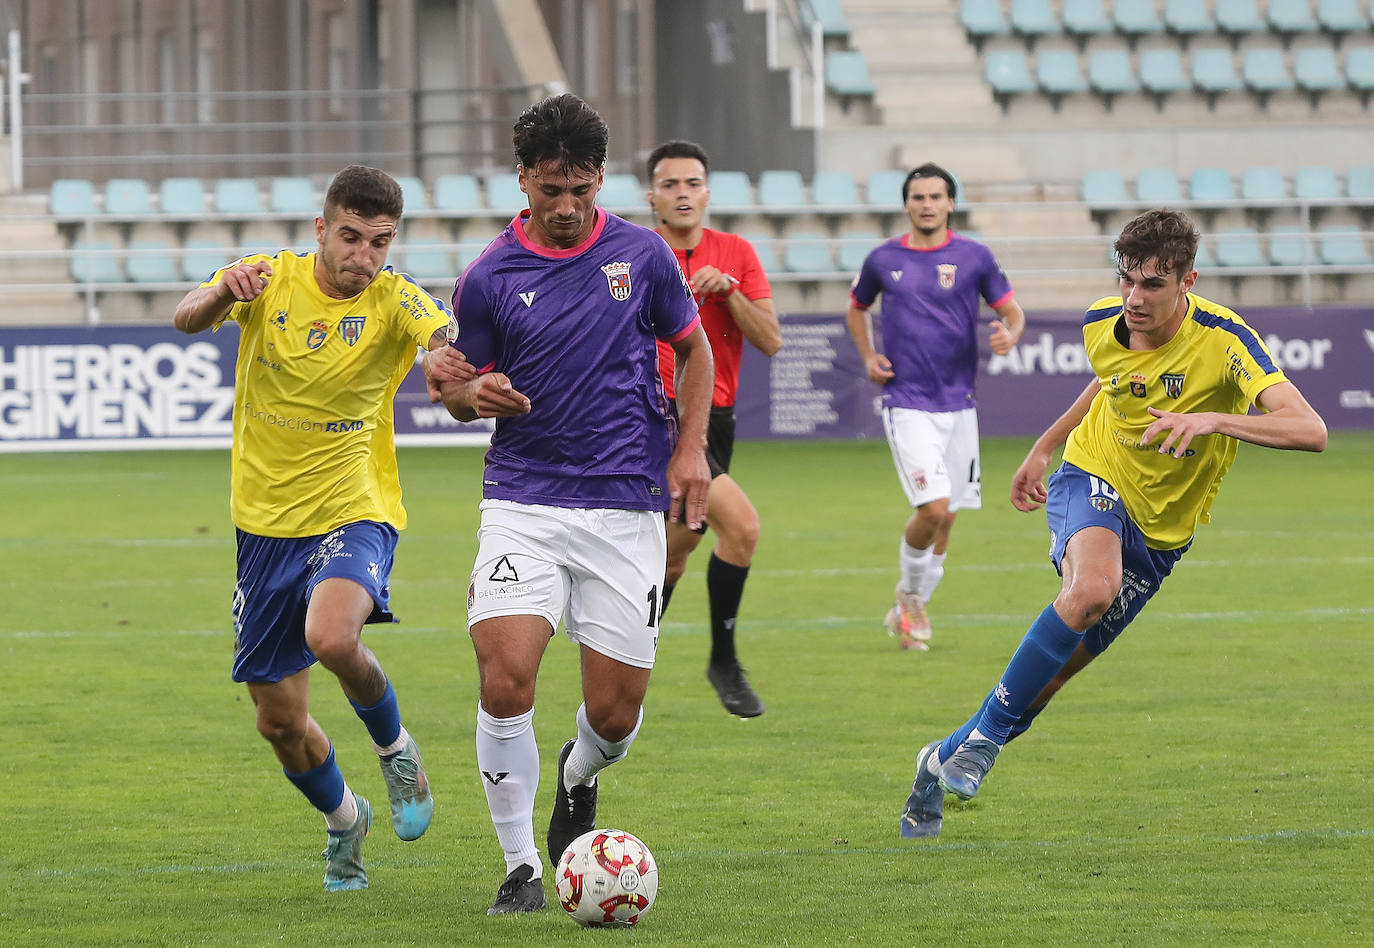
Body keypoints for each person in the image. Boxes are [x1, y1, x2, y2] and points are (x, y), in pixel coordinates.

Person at [899, 208, 1327, 839]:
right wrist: (1045, 447)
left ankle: (940, 760)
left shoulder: (1226, 342)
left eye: (1152, 284)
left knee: (1049, 678)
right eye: (1127, 279)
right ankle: (984, 744)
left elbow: (1311, 430)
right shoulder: (1103, 322)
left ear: (1188, 281)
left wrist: (1213, 418)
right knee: (1092, 589)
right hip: (1093, 474)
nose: (1134, 297)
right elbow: (1107, 385)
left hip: (1163, 532)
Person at [430, 94, 713, 915]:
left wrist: (689, 448)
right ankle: (520, 867)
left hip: (626, 507)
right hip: (524, 502)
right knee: (506, 675)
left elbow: (692, 350)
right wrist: (468, 393)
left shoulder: (644, 256)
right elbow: (452, 383)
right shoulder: (488, 277)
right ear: (522, 180)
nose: (565, 208)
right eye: (550, 190)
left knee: (615, 718)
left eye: (581, 190)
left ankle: (577, 770)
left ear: (599, 180)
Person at [172, 165, 461, 891]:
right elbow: (186, 317)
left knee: (332, 636)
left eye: (380, 242)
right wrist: (217, 290)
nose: (365, 256)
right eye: (351, 237)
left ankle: (397, 751)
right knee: (280, 724)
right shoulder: (267, 279)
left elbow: (440, 333)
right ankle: (344, 822)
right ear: (321, 230)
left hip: (353, 508)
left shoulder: (395, 300)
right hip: (263, 529)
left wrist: (446, 359)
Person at [846, 162, 1026, 651]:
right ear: (906, 204)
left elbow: (1011, 310)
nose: (927, 204)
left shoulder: (975, 257)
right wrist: (868, 356)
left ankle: (908, 613)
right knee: (933, 508)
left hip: (959, 405)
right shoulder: (883, 259)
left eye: (936, 197)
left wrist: (1009, 334)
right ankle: (910, 596)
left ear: (950, 203)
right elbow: (856, 307)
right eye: (918, 197)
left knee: (948, 519)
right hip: (907, 401)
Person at [645, 139, 783, 718]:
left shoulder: (736, 253)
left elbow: (771, 340)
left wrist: (729, 293)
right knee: (743, 529)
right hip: (657, 417)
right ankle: (722, 659)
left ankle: (629, 651)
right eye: (671, 184)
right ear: (652, 195)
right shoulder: (638, 253)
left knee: (674, 555)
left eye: (692, 183)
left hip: (716, 420)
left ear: (707, 192)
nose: (683, 193)